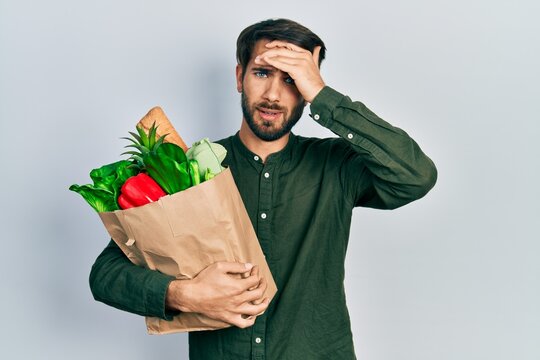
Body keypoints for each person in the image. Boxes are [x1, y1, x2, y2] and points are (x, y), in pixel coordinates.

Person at [89, 18, 437, 360]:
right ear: (240, 77)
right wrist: (185, 294)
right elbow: (105, 275)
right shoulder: (187, 170)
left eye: (291, 79)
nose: (273, 94)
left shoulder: (338, 165)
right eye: (261, 73)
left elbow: (416, 175)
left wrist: (323, 97)